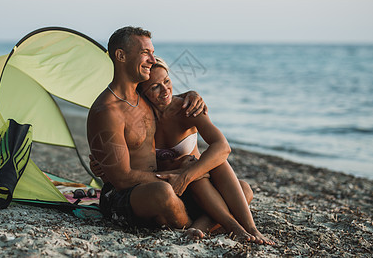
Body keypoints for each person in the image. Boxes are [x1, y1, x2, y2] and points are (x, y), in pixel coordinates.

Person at [136, 57, 274, 245]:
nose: (165, 90)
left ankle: (249, 228)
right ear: (141, 92)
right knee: (191, 165)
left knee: (244, 189)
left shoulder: (188, 107)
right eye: (154, 87)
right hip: (169, 190)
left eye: (166, 81)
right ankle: (227, 226)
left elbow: (223, 147)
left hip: (200, 188)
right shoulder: (139, 121)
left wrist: (185, 175)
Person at [87, 26, 206, 229]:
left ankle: (197, 224)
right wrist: (175, 176)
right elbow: (122, 178)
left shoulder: (142, 98)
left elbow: (166, 97)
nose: (152, 60)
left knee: (243, 189)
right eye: (145, 53)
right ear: (121, 56)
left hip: (159, 182)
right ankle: (197, 226)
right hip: (124, 194)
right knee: (163, 193)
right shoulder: (107, 111)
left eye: (152, 52)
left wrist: (191, 94)